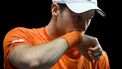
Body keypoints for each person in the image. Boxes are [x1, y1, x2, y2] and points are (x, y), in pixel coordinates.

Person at [3, 0, 110, 69]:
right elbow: (29, 61)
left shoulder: (95, 56)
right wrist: (76, 37)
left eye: (89, 18)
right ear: (55, 10)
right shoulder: (22, 35)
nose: (84, 26)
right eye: (77, 17)